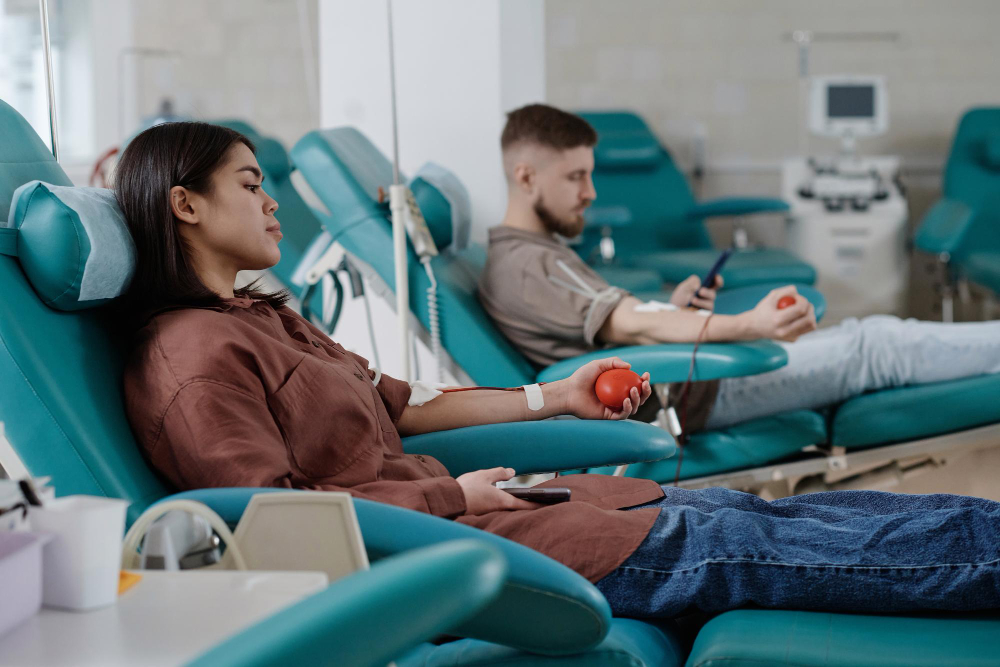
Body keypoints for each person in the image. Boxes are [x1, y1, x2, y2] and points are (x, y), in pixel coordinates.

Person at [115, 121, 1000, 618]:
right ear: (184, 203)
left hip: (514, 513)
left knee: (748, 509)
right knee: (747, 538)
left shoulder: (261, 315)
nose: (271, 200)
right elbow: (275, 523)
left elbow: (401, 399)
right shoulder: (190, 358)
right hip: (463, 551)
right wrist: (455, 499)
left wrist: (558, 394)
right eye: (249, 182)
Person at [478, 104, 1000, 434]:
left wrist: (675, 310)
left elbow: (613, 326)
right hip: (695, 389)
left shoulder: (532, 254)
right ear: (526, 176)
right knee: (877, 349)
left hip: (686, 370)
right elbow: (629, 322)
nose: (590, 194)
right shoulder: (528, 264)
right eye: (576, 177)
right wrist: (749, 325)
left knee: (874, 335)